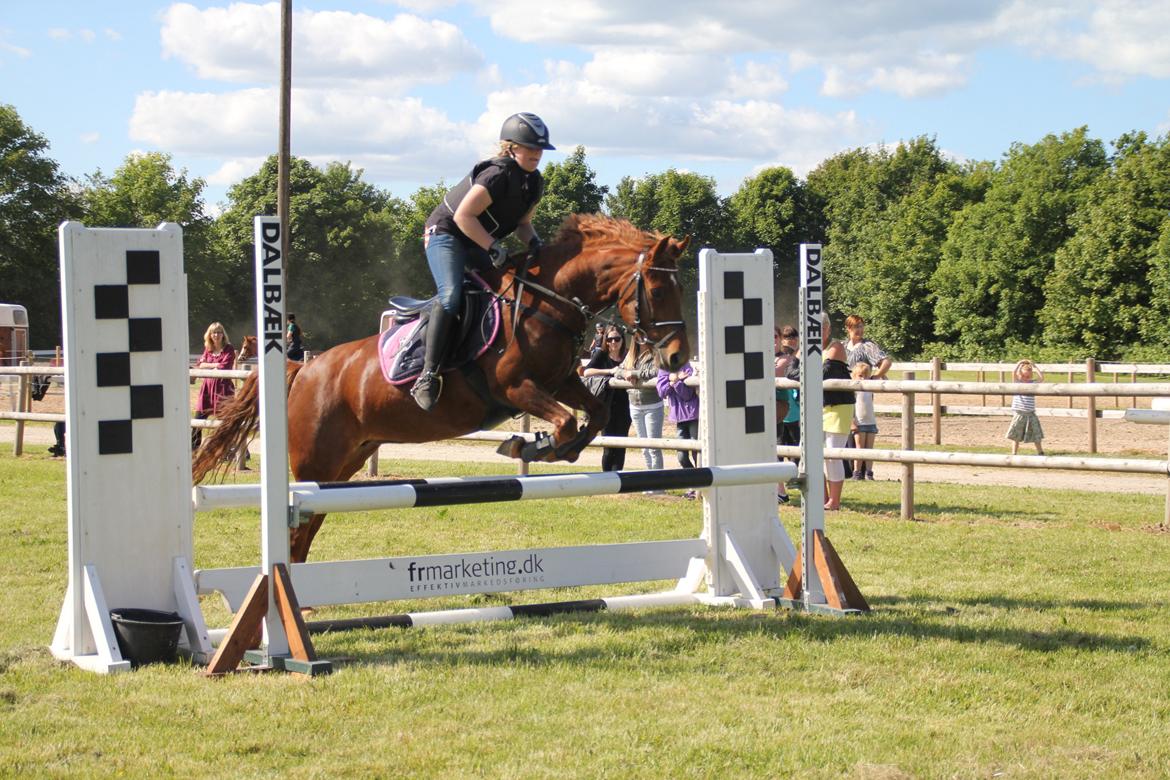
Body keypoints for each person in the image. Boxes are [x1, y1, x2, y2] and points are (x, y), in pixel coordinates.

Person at [412, 112, 554, 410]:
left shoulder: (534, 182)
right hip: (447, 234)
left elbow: (523, 225)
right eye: (530, 147)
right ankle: (427, 375)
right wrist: (492, 246)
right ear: (512, 147)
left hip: (477, 240)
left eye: (540, 148)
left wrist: (537, 245)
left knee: (510, 294)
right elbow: (463, 216)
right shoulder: (497, 174)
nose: (537, 153)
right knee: (451, 297)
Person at [582, 326, 632, 472]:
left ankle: (618, 478)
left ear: (623, 340)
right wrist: (610, 371)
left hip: (625, 405)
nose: (614, 342)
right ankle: (607, 477)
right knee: (608, 445)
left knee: (621, 444)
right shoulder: (601, 355)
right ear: (606, 341)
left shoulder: (628, 356)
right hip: (606, 405)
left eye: (617, 339)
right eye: (610, 339)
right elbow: (587, 372)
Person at [619, 340, 664, 481]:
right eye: (637, 335)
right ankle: (648, 481)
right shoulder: (630, 355)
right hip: (635, 406)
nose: (641, 338)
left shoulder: (656, 353)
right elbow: (618, 370)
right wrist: (625, 373)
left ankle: (657, 483)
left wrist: (634, 373)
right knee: (644, 448)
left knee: (654, 447)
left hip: (653, 406)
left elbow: (656, 371)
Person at [822, 319, 855, 511]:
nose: (819, 331)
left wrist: (802, 372)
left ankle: (834, 501)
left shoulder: (836, 348)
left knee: (833, 453)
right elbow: (793, 371)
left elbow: (823, 373)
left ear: (828, 328)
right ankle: (822, 497)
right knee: (814, 453)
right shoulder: (805, 348)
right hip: (816, 407)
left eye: (822, 327)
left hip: (838, 406)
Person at [191, 322, 237, 450]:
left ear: (223, 334)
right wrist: (214, 365)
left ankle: (235, 450)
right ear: (209, 335)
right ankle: (194, 447)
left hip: (223, 389)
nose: (216, 335)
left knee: (226, 421)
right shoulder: (208, 349)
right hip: (207, 388)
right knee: (198, 419)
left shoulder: (228, 348)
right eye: (213, 332)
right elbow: (200, 364)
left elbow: (225, 366)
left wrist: (209, 365)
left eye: (219, 332)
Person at [656, 361, 699, 491]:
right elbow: (661, 391)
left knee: (697, 452)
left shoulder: (686, 366)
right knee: (682, 456)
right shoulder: (663, 368)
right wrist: (674, 380)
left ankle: (697, 487)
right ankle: (695, 482)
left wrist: (674, 382)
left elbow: (687, 394)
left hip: (693, 415)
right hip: (679, 417)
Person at [1006, 358, 1045, 455]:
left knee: (1036, 434)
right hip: (1020, 413)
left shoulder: (1032, 383)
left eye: (1029, 375)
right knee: (1016, 435)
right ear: (1021, 374)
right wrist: (1019, 364)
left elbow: (1041, 378)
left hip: (1031, 413)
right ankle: (1014, 453)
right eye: (1024, 375)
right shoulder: (1017, 383)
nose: (1026, 377)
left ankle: (1040, 452)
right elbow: (1013, 373)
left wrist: (1035, 367)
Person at [851, 360, 877, 480]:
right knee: (859, 448)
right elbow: (851, 406)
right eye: (860, 375)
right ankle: (857, 472)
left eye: (866, 375)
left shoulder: (870, 387)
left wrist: (877, 374)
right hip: (859, 422)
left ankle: (869, 472)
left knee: (869, 450)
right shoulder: (854, 389)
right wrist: (852, 421)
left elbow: (884, 379)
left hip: (871, 421)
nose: (863, 378)